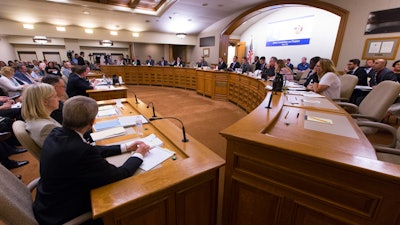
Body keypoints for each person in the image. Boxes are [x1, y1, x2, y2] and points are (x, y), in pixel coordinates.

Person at [33, 96, 150, 225]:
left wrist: (125, 147)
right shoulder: (81, 152)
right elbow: (117, 175)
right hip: (64, 214)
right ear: (92, 122)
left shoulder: (57, 133)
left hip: (48, 203)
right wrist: (138, 155)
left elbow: (90, 149)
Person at [22, 83, 61, 147]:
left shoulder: (35, 120)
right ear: (45, 102)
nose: (58, 99)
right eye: (55, 96)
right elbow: (64, 152)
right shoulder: (47, 127)